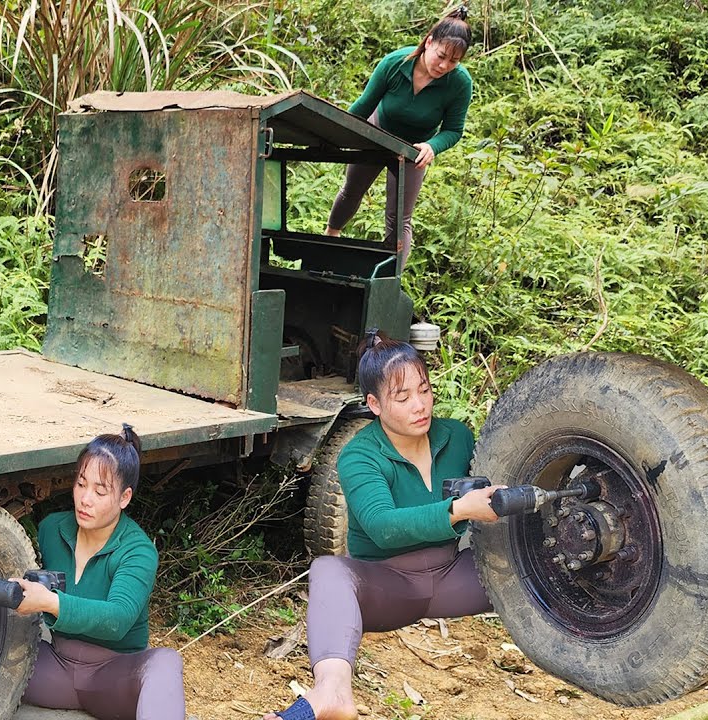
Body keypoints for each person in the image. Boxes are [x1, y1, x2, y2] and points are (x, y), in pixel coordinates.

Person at [266, 331, 502, 720]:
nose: (420, 405)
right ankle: (331, 693)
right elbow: (382, 526)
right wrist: (458, 510)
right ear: (373, 404)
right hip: (391, 586)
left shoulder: (457, 436)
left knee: (539, 565)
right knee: (329, 569)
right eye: (403, 397)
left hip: (457, 576)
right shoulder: (359, 455)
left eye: (424, 390)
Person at [14, 423, 187, 720]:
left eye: (100, 490)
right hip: (54, 667)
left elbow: (117, 619)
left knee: (165, 661)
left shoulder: (138, 551)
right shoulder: (52, 528)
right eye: (81, 484)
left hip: (112, 678)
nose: (85, 499)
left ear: (124, 497)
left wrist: (49, 602)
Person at [325, 7, 474, 272]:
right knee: (351, 192)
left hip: (413, 150)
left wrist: (432, 146)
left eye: (454, 61)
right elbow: (363, 106)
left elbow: (453, 130)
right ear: (429, 42)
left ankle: (390, 279)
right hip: (377, 132)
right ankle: (328, 241)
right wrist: (331, 135)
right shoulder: (395, 63)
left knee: (400, 218)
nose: (444, 66)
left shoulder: (460, 84)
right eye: (441, 56)